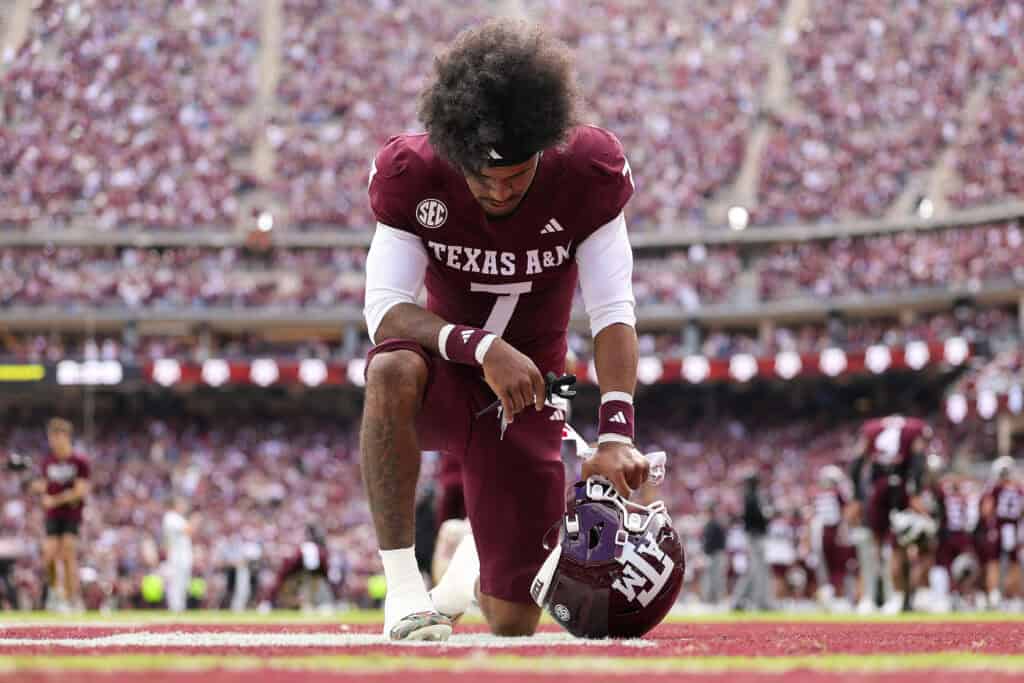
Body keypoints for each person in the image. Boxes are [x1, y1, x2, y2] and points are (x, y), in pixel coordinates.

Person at [361, 18, 648, 640]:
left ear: (544, 148)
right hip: (447, 373)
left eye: (514, 176)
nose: (496, 189)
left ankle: (470, 569)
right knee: (389, 366)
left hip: (530, 392)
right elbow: (383, 310)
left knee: (512, 620)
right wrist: (482, 346)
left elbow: (613, 311)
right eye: (479, 176)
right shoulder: (414, 172)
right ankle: (404, 588)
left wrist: (618, 429)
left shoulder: (587, 172)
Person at [856, 415, 932, 613]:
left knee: (876, 546)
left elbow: (857, 463)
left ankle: (872, 598)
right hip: (900, 490)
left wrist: (857, 497)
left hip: (878, 489)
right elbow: (918, 459)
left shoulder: (872, 428)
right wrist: (915, 493)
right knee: (901, 546)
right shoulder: (915, 428)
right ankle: (896, 596)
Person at [31, 418, 90, 611]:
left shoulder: (79, 461)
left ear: (66, 437)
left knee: (67, 554)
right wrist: (37, 488)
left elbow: (80, 491)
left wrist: (54, 499)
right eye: (51, 437)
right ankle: (56, 594)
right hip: (53, 514)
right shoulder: (47, 461)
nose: (53, 442)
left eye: (56, 437)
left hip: (71, 514)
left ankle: (72, 598)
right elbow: (45, 485)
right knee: (48, 554)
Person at [732, 473, 772, 611]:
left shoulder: (749, 496)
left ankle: (739, 601)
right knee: (758, 570)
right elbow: (758, 517)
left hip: (753, 536)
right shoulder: (753, 497)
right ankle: (761, 602)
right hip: (755, 536)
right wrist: (768, 517)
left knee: (754, 570)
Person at [162, 497, 195, 613]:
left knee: (183, 581)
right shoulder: (171, 517)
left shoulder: (178, 518)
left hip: (182, 553)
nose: (184, 506)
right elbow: (188, 530)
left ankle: (180, 606)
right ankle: (175, 607)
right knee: (176, 581)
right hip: (178, 554)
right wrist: (195, 519)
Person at [701, 503, 727, 606]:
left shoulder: (714, 524)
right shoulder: (713, 524)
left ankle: (715, 598)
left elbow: (714, 541)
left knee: (715, 577)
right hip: (713, 554)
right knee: (711, 577)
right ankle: (711, 598)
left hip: (715, 554)